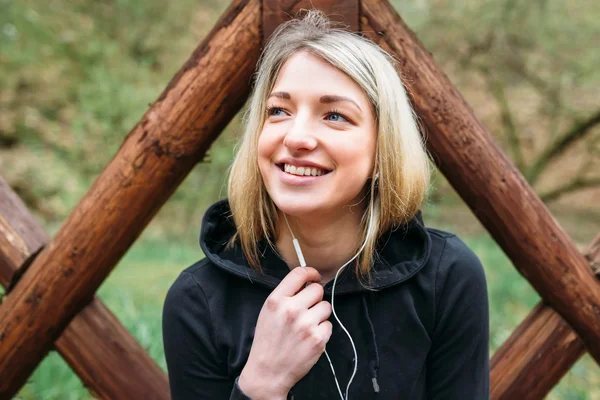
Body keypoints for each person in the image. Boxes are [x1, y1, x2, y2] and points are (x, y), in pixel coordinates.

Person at [162, 9, 489, 400]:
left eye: (334, 115)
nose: (297, 137)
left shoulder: (446, 278)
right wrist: (262, 383)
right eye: (279, 111)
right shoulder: (197, 299)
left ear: (383, 150)